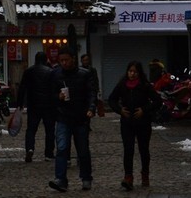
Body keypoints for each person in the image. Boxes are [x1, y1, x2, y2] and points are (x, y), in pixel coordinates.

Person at [107, 60, 162, 191]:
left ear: (139, 73)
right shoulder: (122, 85)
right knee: (128, 149)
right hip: (127, 122)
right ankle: (128, 177)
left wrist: (144, 109)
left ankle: (145, 174)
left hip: (143, 122)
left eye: (135, 72)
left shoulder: (145, 85)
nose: (132, 74)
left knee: (143, 149)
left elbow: (157, 101)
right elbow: (111, 99)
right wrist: (120, 110)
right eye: (130, 71)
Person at [47, 47, 95, 193]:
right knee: (61, 148)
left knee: (83, 150)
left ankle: (86, 178)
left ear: (73, 58)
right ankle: (60, 179)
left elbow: (91, 93)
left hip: (80, 117)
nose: (64, 63)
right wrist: (57, 97)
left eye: (66, 60)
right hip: (63, 116)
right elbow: (50, 94)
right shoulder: (55, 74)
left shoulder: (84, 74)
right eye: (61, 60)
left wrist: (91, 108)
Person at [14, 51, 57, 163]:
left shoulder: (29, 71)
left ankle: (30, 148)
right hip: (48, 105)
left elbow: (22, 88)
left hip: (33, 104)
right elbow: (54, 89)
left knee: (31, 129)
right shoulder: (50, 72)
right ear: (45, 59)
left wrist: (19, 104)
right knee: (50, 130)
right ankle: (49, 153)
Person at [79, 54, 104, 118]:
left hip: (92, 90)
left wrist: (98, 90)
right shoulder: (79, 70)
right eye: (84, 60)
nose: (86, 61)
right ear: (81, 61)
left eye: (87, 60)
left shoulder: (92, 70)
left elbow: (96, 80)